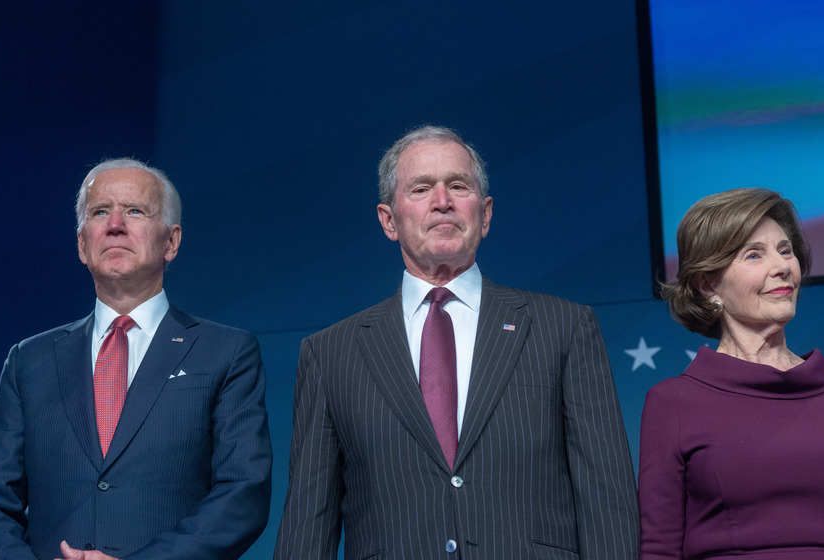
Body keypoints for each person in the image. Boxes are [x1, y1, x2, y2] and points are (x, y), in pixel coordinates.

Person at [273, 125, 639, 559]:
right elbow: (307, 525)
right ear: (389, 220)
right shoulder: (330, 353)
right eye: (421, 188)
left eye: (457, 186)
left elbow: (607, 502)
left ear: (484, 214)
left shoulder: (564, 326)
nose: (442, 201)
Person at [0, 158, 273, 560]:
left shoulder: (227, 352)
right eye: (100, 212)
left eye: (135, 211)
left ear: (171, 241)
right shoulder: (29, 360)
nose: (115, 224)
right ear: (81, 244)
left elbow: (242, 491)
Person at [638, 188, 824, 559]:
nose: (782, 265)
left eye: (786, 250)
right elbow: (659, 548)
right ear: (708, 285)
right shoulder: (673, 403)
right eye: (754, 254)